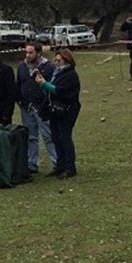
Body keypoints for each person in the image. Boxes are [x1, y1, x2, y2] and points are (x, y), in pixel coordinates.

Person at [34, 48, 81, 178]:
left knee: (65, 138)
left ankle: (70, 167)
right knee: (56, 138)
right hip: (55, 111)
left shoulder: (71, 75)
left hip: (67, 111)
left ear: (67, 60)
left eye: (59, 61)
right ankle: (60, 166)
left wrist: (44, 84)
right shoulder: (58, 73)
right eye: (55, 60)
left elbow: (60, 90)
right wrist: (43, 85)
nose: (56, 63)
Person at [16, 42, 57, 175]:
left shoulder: (48, 67)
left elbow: (53, 86)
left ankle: (57, 162)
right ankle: (32, 164)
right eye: (26, 52)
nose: (27, 55)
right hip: (26, 107)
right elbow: (19, 84)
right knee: (31, 136)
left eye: (31, 52)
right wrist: (20, 100)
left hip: (42, 107)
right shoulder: (22, 66)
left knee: (48, 135)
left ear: (38, 53)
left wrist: (46, 103)